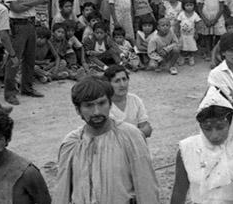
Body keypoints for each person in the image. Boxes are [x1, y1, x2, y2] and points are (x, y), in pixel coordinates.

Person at [56, 76, 161, 204]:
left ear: (110, 104)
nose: (96, 112)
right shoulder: (72, 143)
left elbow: (147, 189)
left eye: (101, 103)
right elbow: (61, 193)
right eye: (88, 106)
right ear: (78, 110)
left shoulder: (130, 136)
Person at [170, 86, 233, 204]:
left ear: (231, 123)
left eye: (220, 127)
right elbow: (179, 191)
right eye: (207, 128)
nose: (214, 135)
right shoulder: (187, 150)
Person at [4, 0, 49, 102]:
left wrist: (28, 3)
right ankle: (10, 93)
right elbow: (15, 8)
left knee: (30, 57)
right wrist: (33, 2)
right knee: (15, 59)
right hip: (18, 23)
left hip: (30, 21)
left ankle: (27, 87)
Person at [104, 64, 153, 138]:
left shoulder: (135, 100)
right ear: (108, 84)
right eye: (117, 81)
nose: (122, 85)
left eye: (124, 79)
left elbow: (147, 128)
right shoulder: (103, 105)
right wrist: (137, 134)